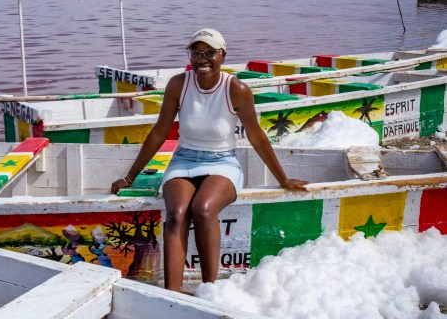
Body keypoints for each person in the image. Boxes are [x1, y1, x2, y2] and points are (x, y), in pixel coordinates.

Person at [110, 28, 309, 292]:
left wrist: (283, 179)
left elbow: (256, 136)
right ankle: (172, 295)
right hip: (184, 159)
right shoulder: (179, 84)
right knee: (177, 214)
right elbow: (159, 132)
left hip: (222, 162)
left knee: (203, 209)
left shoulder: (236, 89)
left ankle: (209, 291)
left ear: (222, 55)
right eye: (195, 53)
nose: (202, 59)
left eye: (209, 52)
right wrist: (129, 177)